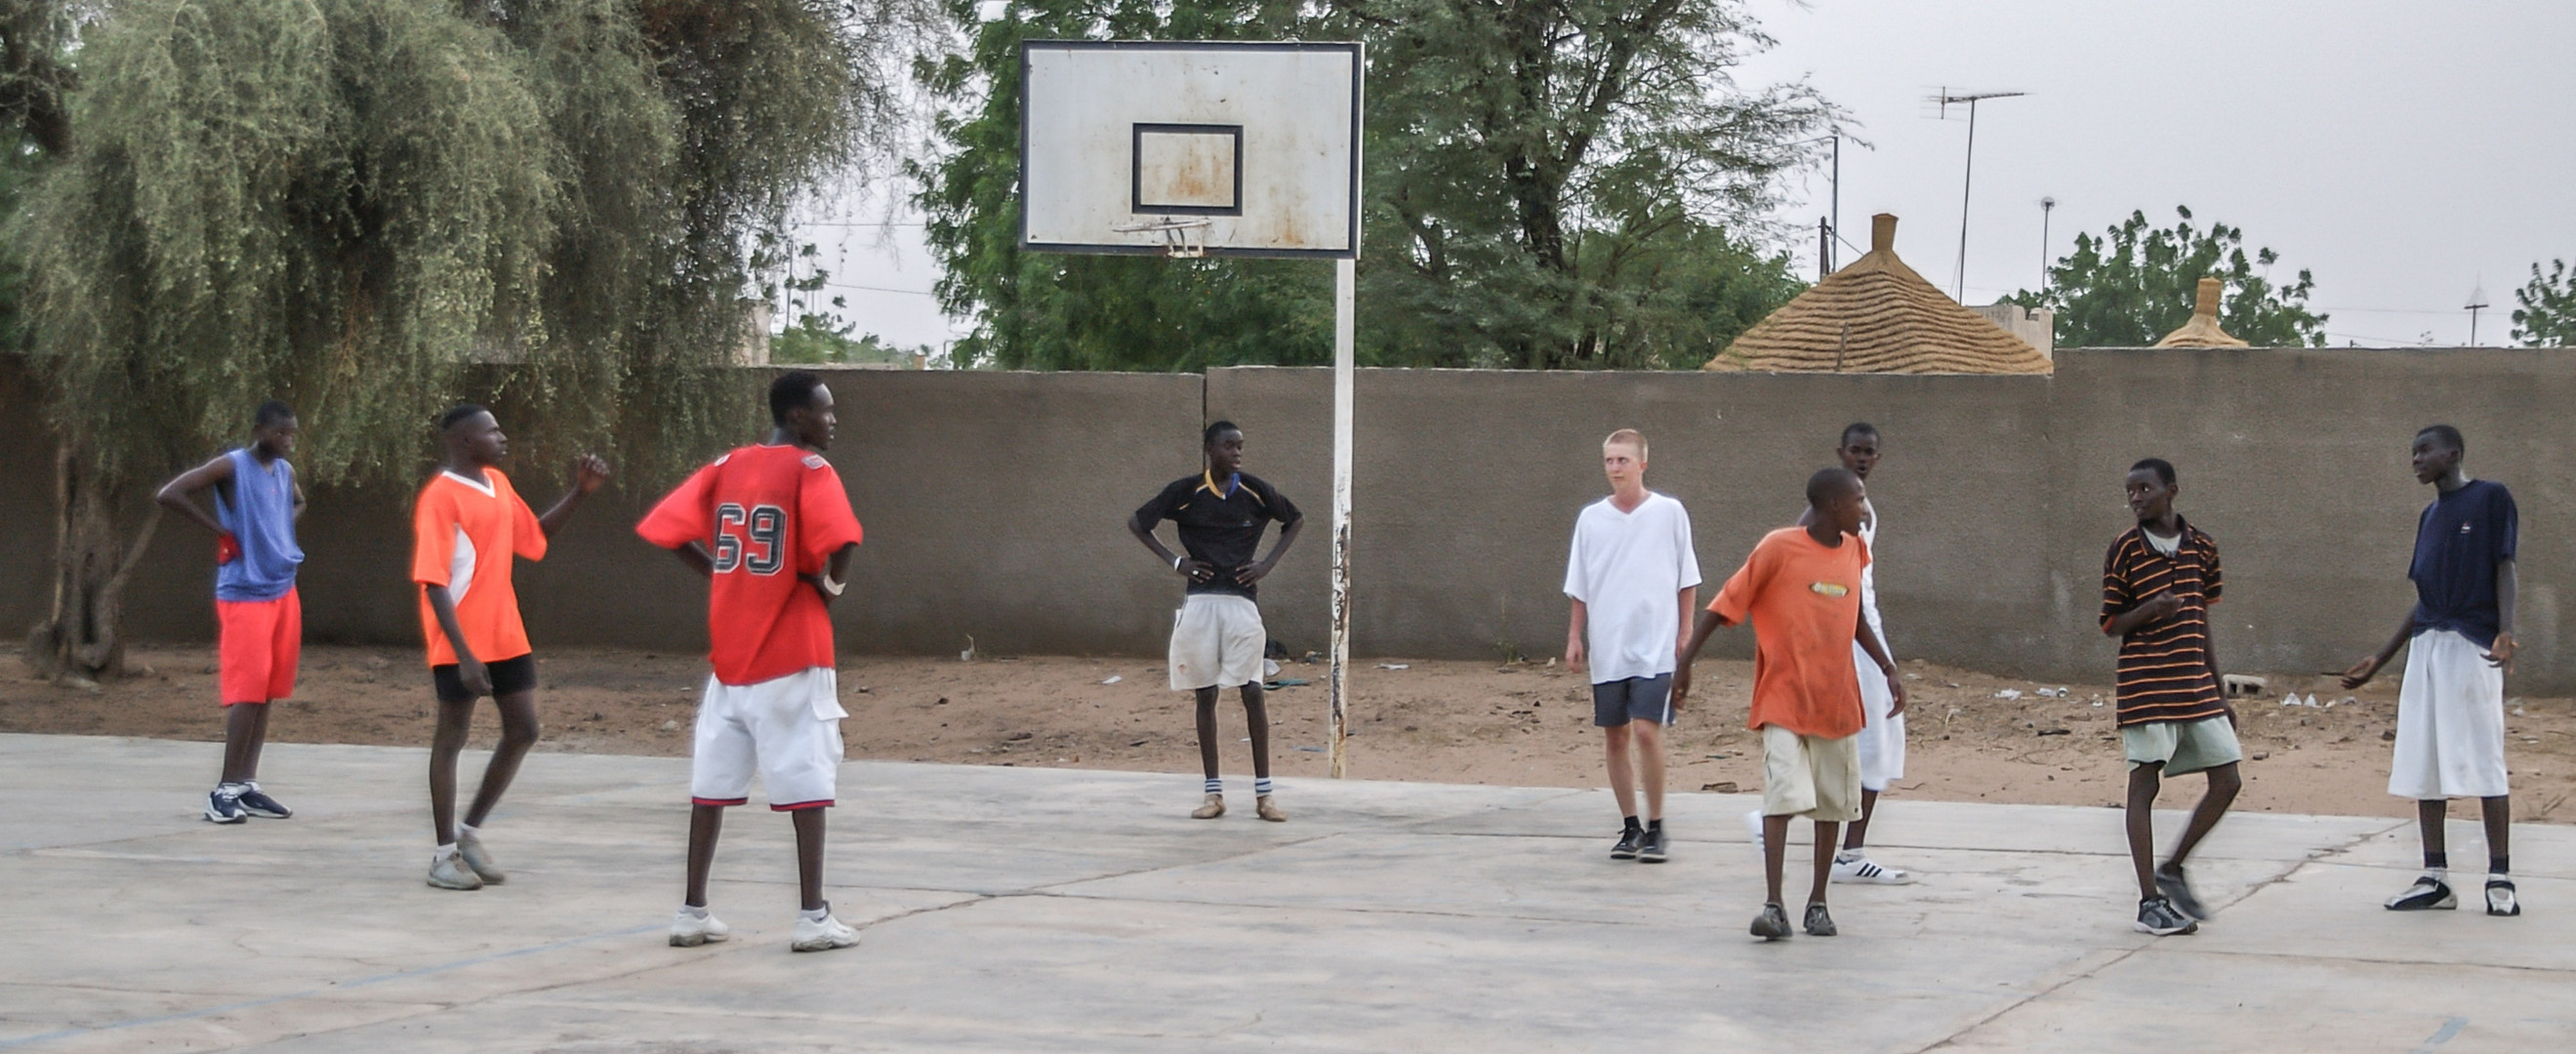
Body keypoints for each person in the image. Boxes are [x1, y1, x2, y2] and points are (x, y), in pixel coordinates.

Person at [639, 371, 868, 953]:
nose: (833, 419)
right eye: (825, 410)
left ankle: (693, 910)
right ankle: (814, 916)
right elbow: (843, 540)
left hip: (731, 656)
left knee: (710, 787)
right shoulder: (811, 469)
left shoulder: (726, 464)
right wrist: (830, 591)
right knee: (808, 782)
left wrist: (720, 570)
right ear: (797, 416)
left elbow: (665, 530)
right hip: (792, 648)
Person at [1677, 467, 1902, 940]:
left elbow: (1856, 615)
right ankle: (1774, 905)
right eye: (1858, 501)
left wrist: (1887, 668)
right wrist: (1685, 663)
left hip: (1836, 700)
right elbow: (1725, 604)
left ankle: (1817, 903)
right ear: (1831, 506)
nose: (1865, 510)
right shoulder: (1779, 547)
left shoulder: (1856, 550)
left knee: (1829, 806)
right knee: (1781, 794)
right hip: (1783, 696)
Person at [411, 404, 609, 890]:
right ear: (462, 440)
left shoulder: (497, 484)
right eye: (491, 431)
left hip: (505, 633)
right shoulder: (440, 497)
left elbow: (534, 538)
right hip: (461, 639)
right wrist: (462, 653)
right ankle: (442, 857)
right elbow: (434, 582)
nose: (501, 437)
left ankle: (469, 832)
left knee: (523, 729)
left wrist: (578, 495)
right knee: (451, 738)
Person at [2342, 426, 2521, 917]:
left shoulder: (2490, 498)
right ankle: (2435, 876)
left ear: (2454, 453)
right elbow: (2423, 601)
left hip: (2474, 646)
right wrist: (2381, 658)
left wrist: (2505, 630)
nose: (2416, 460)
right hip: (2427, 648)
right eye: (2412, 452)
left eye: (2425, 451)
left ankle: (2499, 875)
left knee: (2485, 757)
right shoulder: (2430, 514)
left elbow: (2505, 565)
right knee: (2425, 762)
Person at [1128, 421, 1303, 821]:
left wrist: (1266, 565)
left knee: (1253, 690)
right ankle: (1213, 794)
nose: (1237, 452)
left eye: (1240, 446)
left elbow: (1294, 519)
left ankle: (1265, 795)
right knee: (1205, 694)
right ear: (1210, 449)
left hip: (1242, 604)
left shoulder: (1255, 490)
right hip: (1200, 603)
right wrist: (1177, 562)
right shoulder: (1186, 492)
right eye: (1229, 446)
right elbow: (1139, 522)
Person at [2099, 458, 2241, 937]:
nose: (2136, 497)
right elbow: (2111, 624)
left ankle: (2173, 867)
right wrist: (2150, 610)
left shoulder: (2202, 546)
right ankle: (2149, 902)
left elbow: (2203, 620)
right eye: (2130, 490)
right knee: (2144, 786)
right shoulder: (2124, 549)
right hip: (2146, 685)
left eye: (2145, 488)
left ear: (2171, 491)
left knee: (2228, 778)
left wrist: (2219, 691)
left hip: (2194, 683)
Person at [155, 399, 307, 824]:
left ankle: (246, 784)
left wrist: (278, 528)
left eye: (292, 434)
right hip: (245, 592)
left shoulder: (285, 472)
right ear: (259, 430)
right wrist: (222, 529)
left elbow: (298, 503)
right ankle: (222, 791)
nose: (287, 441)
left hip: (282, 588)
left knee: (268, 691)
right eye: (280, 433)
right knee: (247, 691)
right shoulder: (231, 466)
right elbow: (169, 494)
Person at [1563, 428, 1700, 863]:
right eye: (1609, 461)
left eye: (1623, 460)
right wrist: (1574, 636)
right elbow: (1580, 585)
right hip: (1609, 645)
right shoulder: (1591, 519)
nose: (1615, 468)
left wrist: (1685, 631)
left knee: (1646, 730)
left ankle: (1657, 825)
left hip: (1656, 645)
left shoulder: (1669, 513)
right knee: (1616, 735)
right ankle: (1630, 826)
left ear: (1642, 464)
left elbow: (1687, 576)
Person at [1796, 423, 1910, 884]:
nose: (1862, 458)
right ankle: (1843, 849)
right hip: (1849, 635)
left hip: (1863, 629)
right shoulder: (1824, 515)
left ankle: (1842, 846)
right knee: (1872, 738)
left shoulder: (1861, 511)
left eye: (1869, 452)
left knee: (1877, 738)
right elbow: (1811, 569)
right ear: (1840, 453)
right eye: (1855, 451)